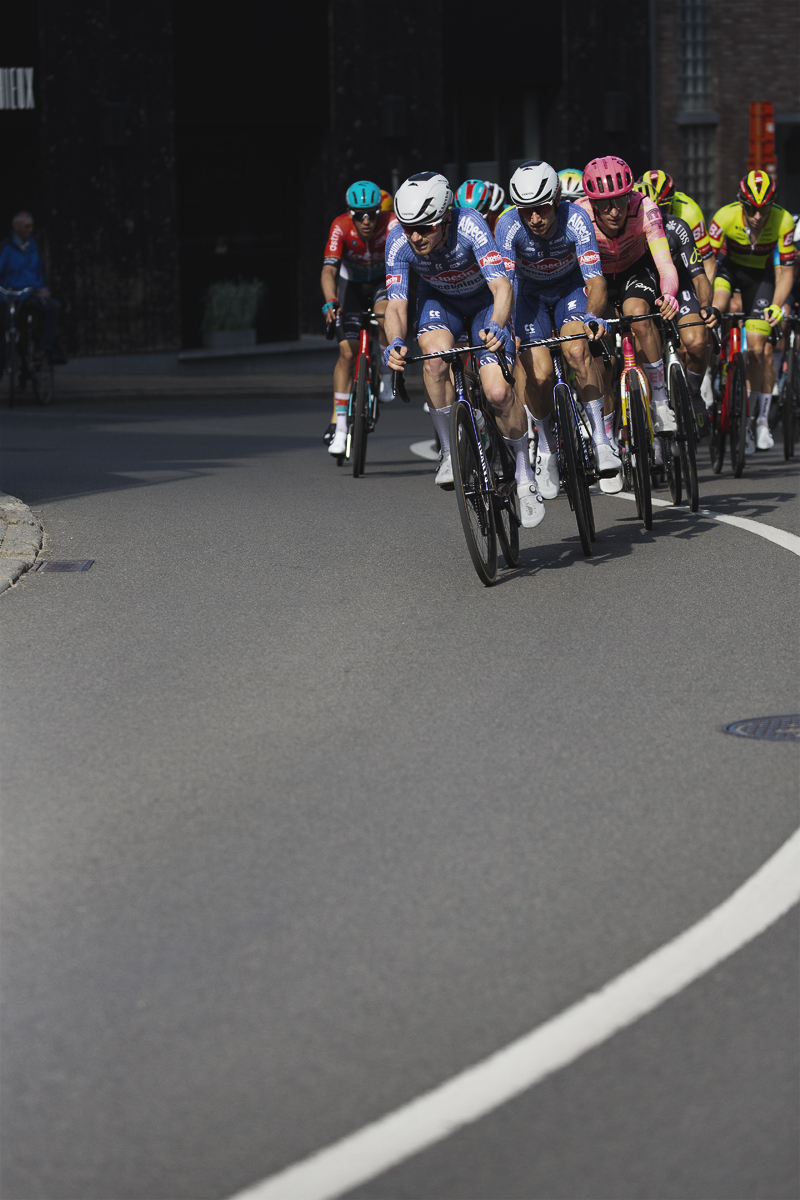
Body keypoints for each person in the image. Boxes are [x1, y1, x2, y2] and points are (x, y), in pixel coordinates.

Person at [384, 171, 544, 528]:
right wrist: (395, 342)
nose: (414, 236)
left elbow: (502, 286)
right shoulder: (397, 239)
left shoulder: (470, 225)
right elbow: (396, 306)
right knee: (436, 361)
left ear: (444, 219)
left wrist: (499, 326)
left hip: (485, 304)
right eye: (409, 227)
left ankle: (523, 473)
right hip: (440, 302)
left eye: (425, 228)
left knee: (499, 393)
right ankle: (447, 453)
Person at [494, 159, 618, 498]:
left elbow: (595, 279)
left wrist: (592, 316)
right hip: (529, 296)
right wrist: (505, 329)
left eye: (542, 209)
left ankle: (602, 441)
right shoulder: (508, 225)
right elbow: (504, 285)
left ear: (557, 199)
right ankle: (546, 448)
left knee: (577, 350)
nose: (534, 218)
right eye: (527, 210)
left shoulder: (575, 218)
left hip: (570, 290)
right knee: (540, 375)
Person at [576, 156, 679, 443]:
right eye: (604, 204)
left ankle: (659, 401)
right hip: (598, 282)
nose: (614, 211)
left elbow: (665, 263)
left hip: (635, 272)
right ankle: (606, 437)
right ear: (591, 201)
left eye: (621, 201)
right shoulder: (579, 214)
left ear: (629, 195)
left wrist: (669, 294)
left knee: (640, 316)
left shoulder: (646, 207)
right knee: (601, 367)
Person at [709, 170, 795, 450]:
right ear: (741, 203)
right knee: (716, 308)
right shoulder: (724, 217)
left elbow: (784, 272)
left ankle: (760, 422)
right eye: (751, 209)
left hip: (761, 280)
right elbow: (709, 264)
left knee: (758, 349)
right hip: (728, 273)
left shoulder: (783, 220)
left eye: (764, 209)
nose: (758, 216)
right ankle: (713, 367)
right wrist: (706, 302)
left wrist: (777, 305)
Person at [634, 177, 717, 436]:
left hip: (679, 289)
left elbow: (699, 276)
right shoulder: (628, 232)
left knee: (696, 341)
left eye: (660, 211)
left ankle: (692, 391)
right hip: (644, 290)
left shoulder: (678, 227)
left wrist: (706, 307)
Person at [321, 181, 396, 456]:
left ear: (379, 210)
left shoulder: (391, 223)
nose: (366, 220)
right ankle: (340, 427)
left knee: (384, 317)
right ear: (350, 213)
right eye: (359, 214)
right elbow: (329, 271)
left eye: (372, 213)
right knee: (346, 352)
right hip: (350, 286)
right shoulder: (340, 226)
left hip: (381, 283)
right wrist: (331, 302)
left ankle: (386, 375)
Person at [0, 211, 65, 363]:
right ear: (16, 227)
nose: (30, 230)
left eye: (31, 226)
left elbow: (41, 270)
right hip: (11, 295)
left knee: (54, 307)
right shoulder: (6, 248)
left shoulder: (34, 246)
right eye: (26, 227)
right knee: (8, 327)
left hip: (31, 293)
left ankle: (45, 348)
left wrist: (44, 288)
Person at [637, 170, 715, 282]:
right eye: (649, 210)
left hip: (680, 268)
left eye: (662, 209)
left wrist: (704, 297)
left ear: (672, 202)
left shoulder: (689, 212)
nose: (656, 216)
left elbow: (708, 262)